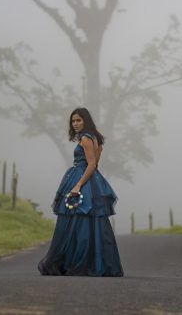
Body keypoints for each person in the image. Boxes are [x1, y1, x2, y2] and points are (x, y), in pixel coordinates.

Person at [38, 107, 124, 277]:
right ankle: (95, 262)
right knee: (90, 222)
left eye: (78, 120)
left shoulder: (86, 139)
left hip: (82, 178)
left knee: (76, 220)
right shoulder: (95, 138)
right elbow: (96, 163)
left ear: (86, 120)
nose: (75, 123)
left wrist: (78, 185)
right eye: (73, 121)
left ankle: (77, 262)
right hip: (91, 180)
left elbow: (92, 164)